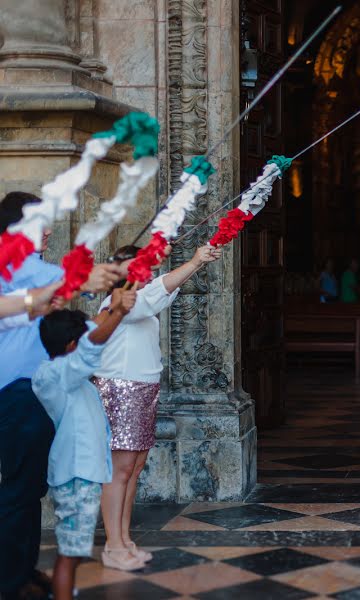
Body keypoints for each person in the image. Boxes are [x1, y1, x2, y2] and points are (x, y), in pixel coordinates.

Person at [0, 191, 125, 600]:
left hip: (26, 392)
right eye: (43, 221)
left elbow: (46, 300)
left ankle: (19, 570)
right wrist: (85, 280)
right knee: (21, 488)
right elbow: (51, 291)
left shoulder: (32, 270)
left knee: (27, 486)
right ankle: (10, 580)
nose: (51, 228)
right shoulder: (25, 268)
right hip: (20, 393)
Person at [96, 243, 222, 571]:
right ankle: (112, 545)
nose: (146, 271)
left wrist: (196, 264)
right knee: (119, 471)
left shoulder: (141, 299)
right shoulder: (117, 303)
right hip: (123, 391)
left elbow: (161, 291)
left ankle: (123, 540)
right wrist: (194, 261)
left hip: (143, 390)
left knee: (134, 468)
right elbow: (155, 294)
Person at [33, 288, 137, 600]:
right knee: (70, 552)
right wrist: (117, 313)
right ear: (71, 346)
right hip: (76, 474)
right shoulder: (56, 375)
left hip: (83, 472)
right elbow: (91, 348)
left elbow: (89, 336)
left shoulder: (60, 370)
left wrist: (117, 304)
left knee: (74, 550)